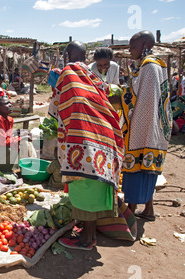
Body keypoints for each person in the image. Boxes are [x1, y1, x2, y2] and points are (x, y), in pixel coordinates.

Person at [56, 41, 125, 251]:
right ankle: (90, 232)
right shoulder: (92, 74)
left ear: (67, 55)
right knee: (95, 184)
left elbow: (60, 103)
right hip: (103, 134)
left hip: (83, 137)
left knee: (84, 185)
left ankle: (86, 239)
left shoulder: (68, 72)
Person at [120, 31, 173, 221]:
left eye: (132, 46)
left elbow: (142, 100)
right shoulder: (155, 65)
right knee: (148, 169)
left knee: (135, 167)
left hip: (143, 127)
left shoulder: (149, 66)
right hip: (152, 127)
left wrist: (122, 97)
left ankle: (131, 211)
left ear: (144, 45)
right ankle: (148, 209)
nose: (129, 50)